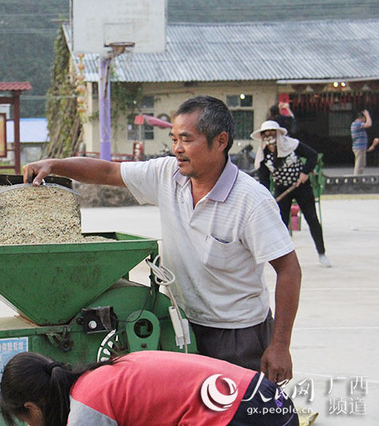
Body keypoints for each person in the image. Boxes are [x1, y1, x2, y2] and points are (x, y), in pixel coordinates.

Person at [24, 96, 301, 384]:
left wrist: (280, 345)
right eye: (174, 139)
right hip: (181, 324)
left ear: (220, 141)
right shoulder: (168, 175)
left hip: (237, 335)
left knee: (235, 411)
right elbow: (109, 171)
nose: (177, 149)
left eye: (186, 139)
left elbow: (289, 269)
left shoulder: (251, 201)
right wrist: (54, 165)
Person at [0, 350, 299, 426]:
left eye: (27, 422)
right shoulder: (104, 374)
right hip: (267, 400)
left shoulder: (87, 408)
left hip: (244, 416)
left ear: (32, 409)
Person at [252, 120, 331, 268]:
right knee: (281, 223)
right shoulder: (264, 155)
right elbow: (264, 180)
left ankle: (322, 253)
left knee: (312, 219)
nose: (269, 137)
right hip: (282, 189)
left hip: (301, 187)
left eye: (271, 133)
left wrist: (305, 172)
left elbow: (312, 155)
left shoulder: (292, 145)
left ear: (278, 134)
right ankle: (282, 257)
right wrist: (267, 197)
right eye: (266, 135)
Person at [350, 110, 373, 176]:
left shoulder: (355, 124)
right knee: (359, 164)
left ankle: (358, 177)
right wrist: (367, 115)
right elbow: (369, 124)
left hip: (359, 147)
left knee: (361, 163)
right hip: (359, 147)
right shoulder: (357, 124)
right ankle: (357, 178)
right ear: (361, 118)